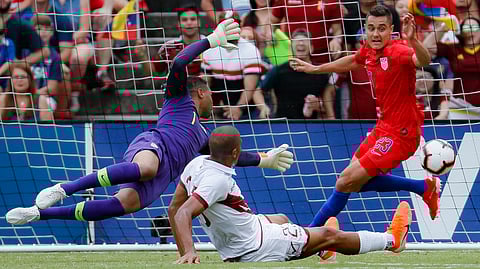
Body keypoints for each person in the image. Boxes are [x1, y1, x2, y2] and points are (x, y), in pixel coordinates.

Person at [6, 19, 294, 225]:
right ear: (201, 92)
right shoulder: (178, 99)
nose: (213, 101)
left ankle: (39, 214)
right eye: (211, 95)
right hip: (153, 146)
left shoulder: (202, 134)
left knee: (125, 205)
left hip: (165, 172)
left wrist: (264, 159)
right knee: (146, 167)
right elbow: (179, 63)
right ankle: (64, 189)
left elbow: (228, 156)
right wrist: (211, 41)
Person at [169, 125, 413, 264]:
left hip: (243, 235)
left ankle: (319, 249)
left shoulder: (197, 164)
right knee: (330, 234)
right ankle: (392, 241)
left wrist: (183, 251)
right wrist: (189, 252)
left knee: (282, 218)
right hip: (257, 246)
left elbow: (173, 210)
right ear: (235, 153)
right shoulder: (218, 181)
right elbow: (183, 213)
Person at [289, 6, 441, 229]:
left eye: (381, 29)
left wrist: (414, 41)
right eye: (371, 28)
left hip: (402, 134)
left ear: (391, 30)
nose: (375, 34)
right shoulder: (369, 50)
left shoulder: (399, 51)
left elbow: (423, 61)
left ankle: (310, 235)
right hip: (383, 127)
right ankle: (423, 187)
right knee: (352, 183)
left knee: (344, 182)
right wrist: (315, 69)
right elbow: (352, 61)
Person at [259, 29, 335, 119]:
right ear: (291, 48)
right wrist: (263, 107)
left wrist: (318, 106)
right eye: (297, 41)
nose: (301, 43)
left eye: (305, 41)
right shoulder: (278, 71)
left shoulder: (321, 71)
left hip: (312, 125)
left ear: (312, 48)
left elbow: (327, 109)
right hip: (284, 124)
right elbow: (258, 91)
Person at [32, 15, 71, 121]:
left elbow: (52, 89)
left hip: (45, 97)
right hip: (25, 95)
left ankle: (47, 132)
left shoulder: (54, 57)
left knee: (42, 100)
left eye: (47, 29)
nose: (43, 32)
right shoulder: (25, 53)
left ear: (52, 32)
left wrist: (34, 93)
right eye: (39, 29)